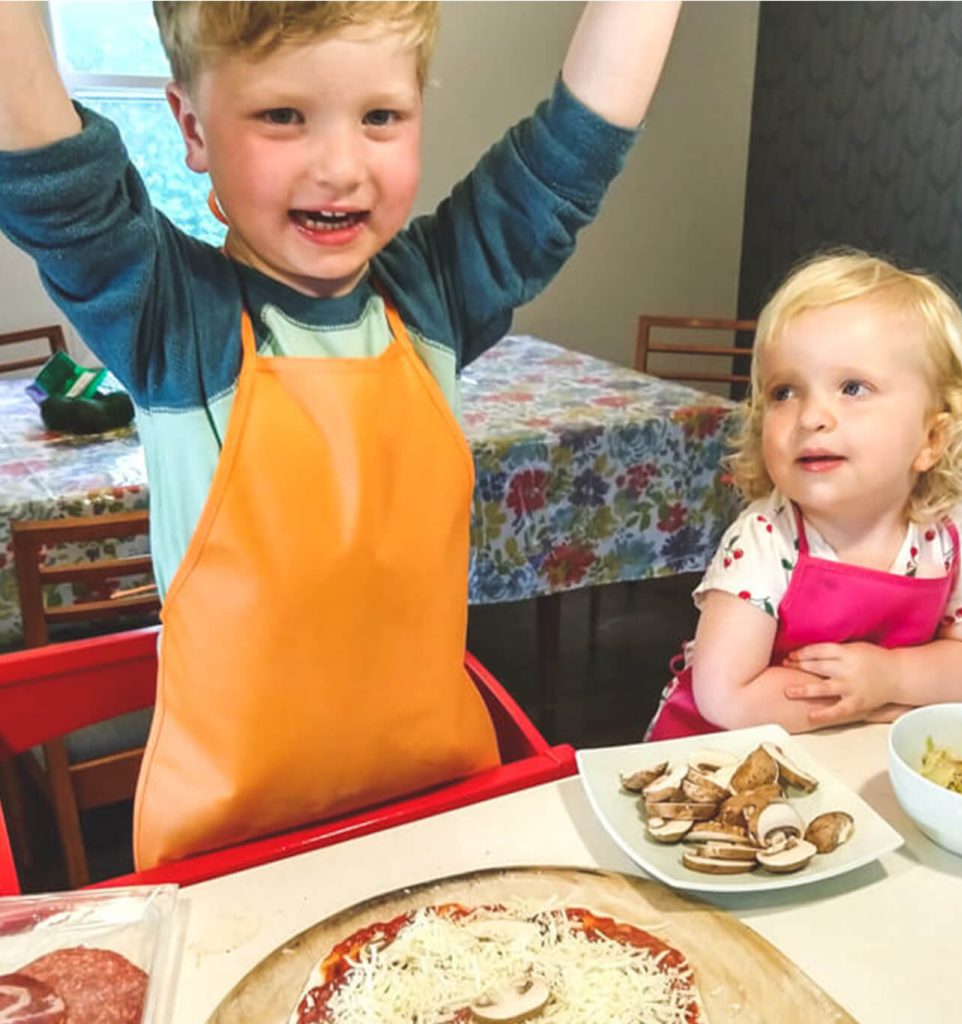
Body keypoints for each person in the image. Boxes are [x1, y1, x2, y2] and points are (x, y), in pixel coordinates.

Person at [0, 0, 683, 867]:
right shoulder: (173, 317)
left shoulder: (432, 293)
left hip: (441, 822)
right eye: (283, 115)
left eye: (381, 117)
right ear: (193, 127)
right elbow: (47, 170)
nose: (340, 167)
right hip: (231, 857)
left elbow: (573, 152)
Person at [647, 249, 962, 739]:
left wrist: (890, 678)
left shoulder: (952, 529)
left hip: (852, 758)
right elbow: (724, 695)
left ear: (931, 439)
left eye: (853, 388)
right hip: (719, 755)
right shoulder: (765, 539)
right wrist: (857, 705)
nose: (811, 416)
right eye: (784, 392)